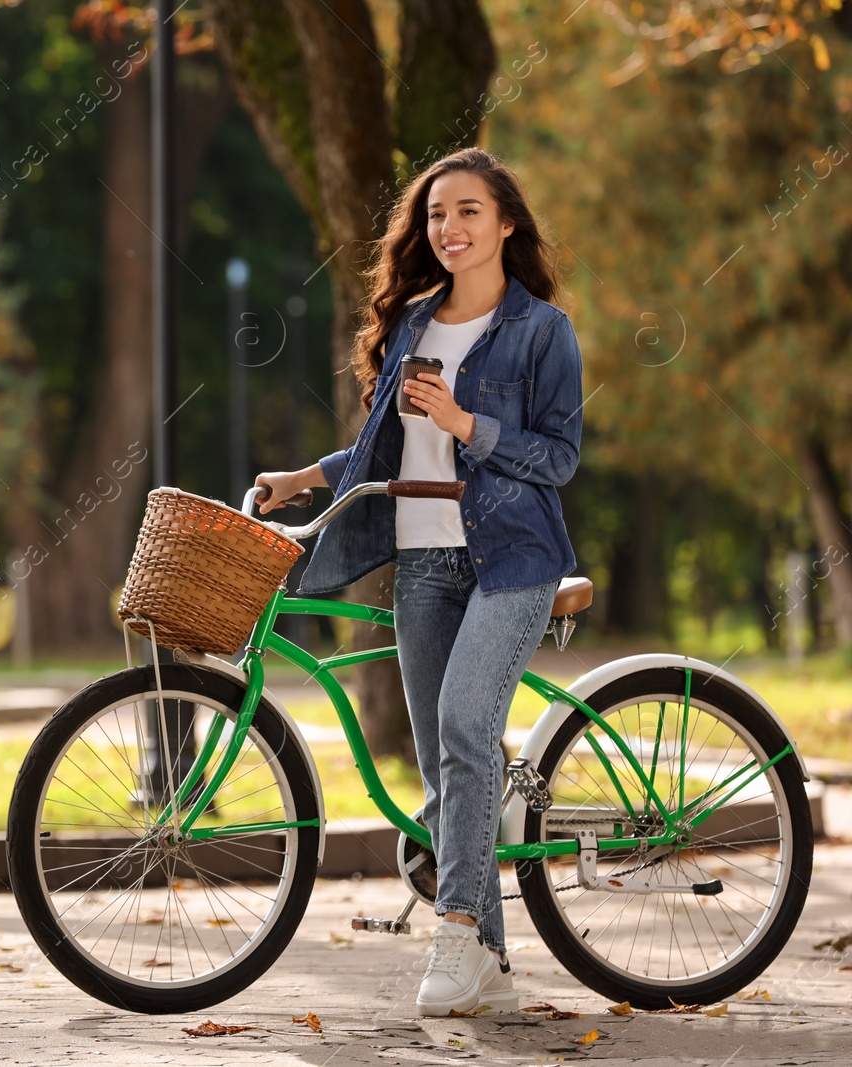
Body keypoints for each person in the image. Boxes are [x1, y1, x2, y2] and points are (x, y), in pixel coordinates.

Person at [254, 147, 583, 1017]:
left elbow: (559, 456)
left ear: (506, 223)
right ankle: (490, 965)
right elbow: (381, 454)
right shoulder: (412, 324)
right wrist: (303, 478)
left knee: (465, 723)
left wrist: (469, 422)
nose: (451, 228)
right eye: (438, 214)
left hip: (511, 557)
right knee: (445, 762)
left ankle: (455, 932)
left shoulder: (542, 330)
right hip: (424, 563)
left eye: (470, 211)